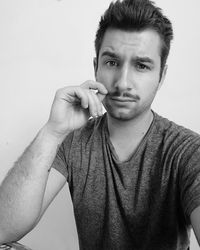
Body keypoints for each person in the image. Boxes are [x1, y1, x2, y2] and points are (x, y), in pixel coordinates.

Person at [0, 0, 200, 249]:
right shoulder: (73, 139)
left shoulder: (189, 151)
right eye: (112, 63)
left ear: (161, 76)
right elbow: (2, 229)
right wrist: (53, 131)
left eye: (141, 65)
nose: (123, 82)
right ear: (96, 68)